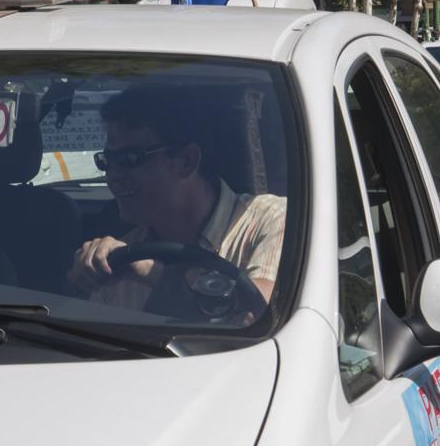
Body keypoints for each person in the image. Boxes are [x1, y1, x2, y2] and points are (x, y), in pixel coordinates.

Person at [66, 85, 286, 311]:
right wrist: (82, 283)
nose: (112, 175)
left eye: (130, 157)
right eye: (106, 160)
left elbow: (256, 315)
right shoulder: (121, 258)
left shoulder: (271, 220)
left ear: (187, 161)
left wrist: (151, 272)